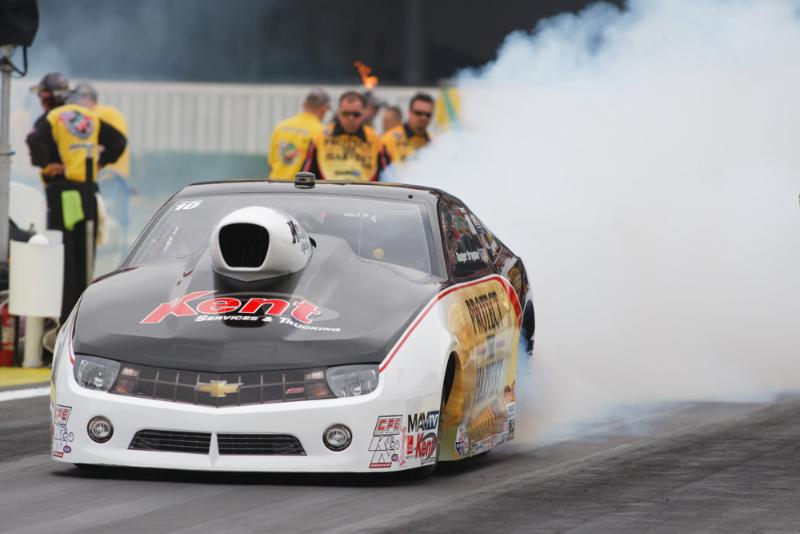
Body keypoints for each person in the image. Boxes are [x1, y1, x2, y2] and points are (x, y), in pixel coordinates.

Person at [26, 73, 127, 323]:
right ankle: (82, 316)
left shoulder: (51, 118)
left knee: (64, 256)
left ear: (48, 97)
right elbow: (118, 141)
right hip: (88, 193)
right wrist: (100, 162)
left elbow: (33, 139)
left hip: (63, 194)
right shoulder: (88, 115)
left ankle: (64, 317)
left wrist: (46, 163)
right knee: (86, 255)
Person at [72, 82, 132, 255]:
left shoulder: (103, 114)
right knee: (113, 221)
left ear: (88, 99)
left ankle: (111, 254)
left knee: (105, 219)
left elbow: (105, 144)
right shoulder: (106, 114)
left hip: (109, 176)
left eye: (78, 99)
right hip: (109, 176)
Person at [302, 91, 384, 182]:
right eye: (346, 114)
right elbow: (307, 174)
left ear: (363, 113)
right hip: (330, 190)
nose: (350, 118)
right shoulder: (320, 137)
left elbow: (384, 175)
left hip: (364, 190)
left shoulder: (375, 139)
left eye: (356, 114)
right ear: (339, 113)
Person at [267, 89, 330, 180]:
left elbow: (271, 163)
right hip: (299, 186)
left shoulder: (281, 126)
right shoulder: (321, 132)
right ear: (324, 109)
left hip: (275, 184)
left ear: (304, 105)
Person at [380, 92, 434, 166]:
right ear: (409, 113)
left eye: (428, 115)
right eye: (418, 113)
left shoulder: (433, 142)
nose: (423, 117)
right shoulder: (389, 139)